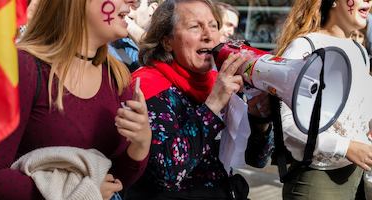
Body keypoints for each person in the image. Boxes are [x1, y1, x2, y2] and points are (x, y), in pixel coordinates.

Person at [0, 0, 152, 200]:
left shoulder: (117, 77)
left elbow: (115, 181)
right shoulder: (23, 68)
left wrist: (141, 143)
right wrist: (78, 193)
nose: (133, 2)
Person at [124, 0, 273, 199]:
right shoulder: (146, 86)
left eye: (213, 26)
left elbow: (256, 159)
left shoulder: (217, 82)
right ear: (167, 41)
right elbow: (167, 173)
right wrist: (213, 105)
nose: (209, 35)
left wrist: (260, 119)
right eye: (195, 27)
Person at [275, 0, 372, 199]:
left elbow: (357, 114)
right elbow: (287, 123)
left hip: (357, 177)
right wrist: (345, 147)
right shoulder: (306, 46)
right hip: (317, 181)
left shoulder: (360, 51)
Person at [109, 0, 163, 72]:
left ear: (152, 9)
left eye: (135, 3)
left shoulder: (168, 38)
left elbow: (159, 54)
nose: (126, 7)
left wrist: (126, 21)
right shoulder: (116, 43)